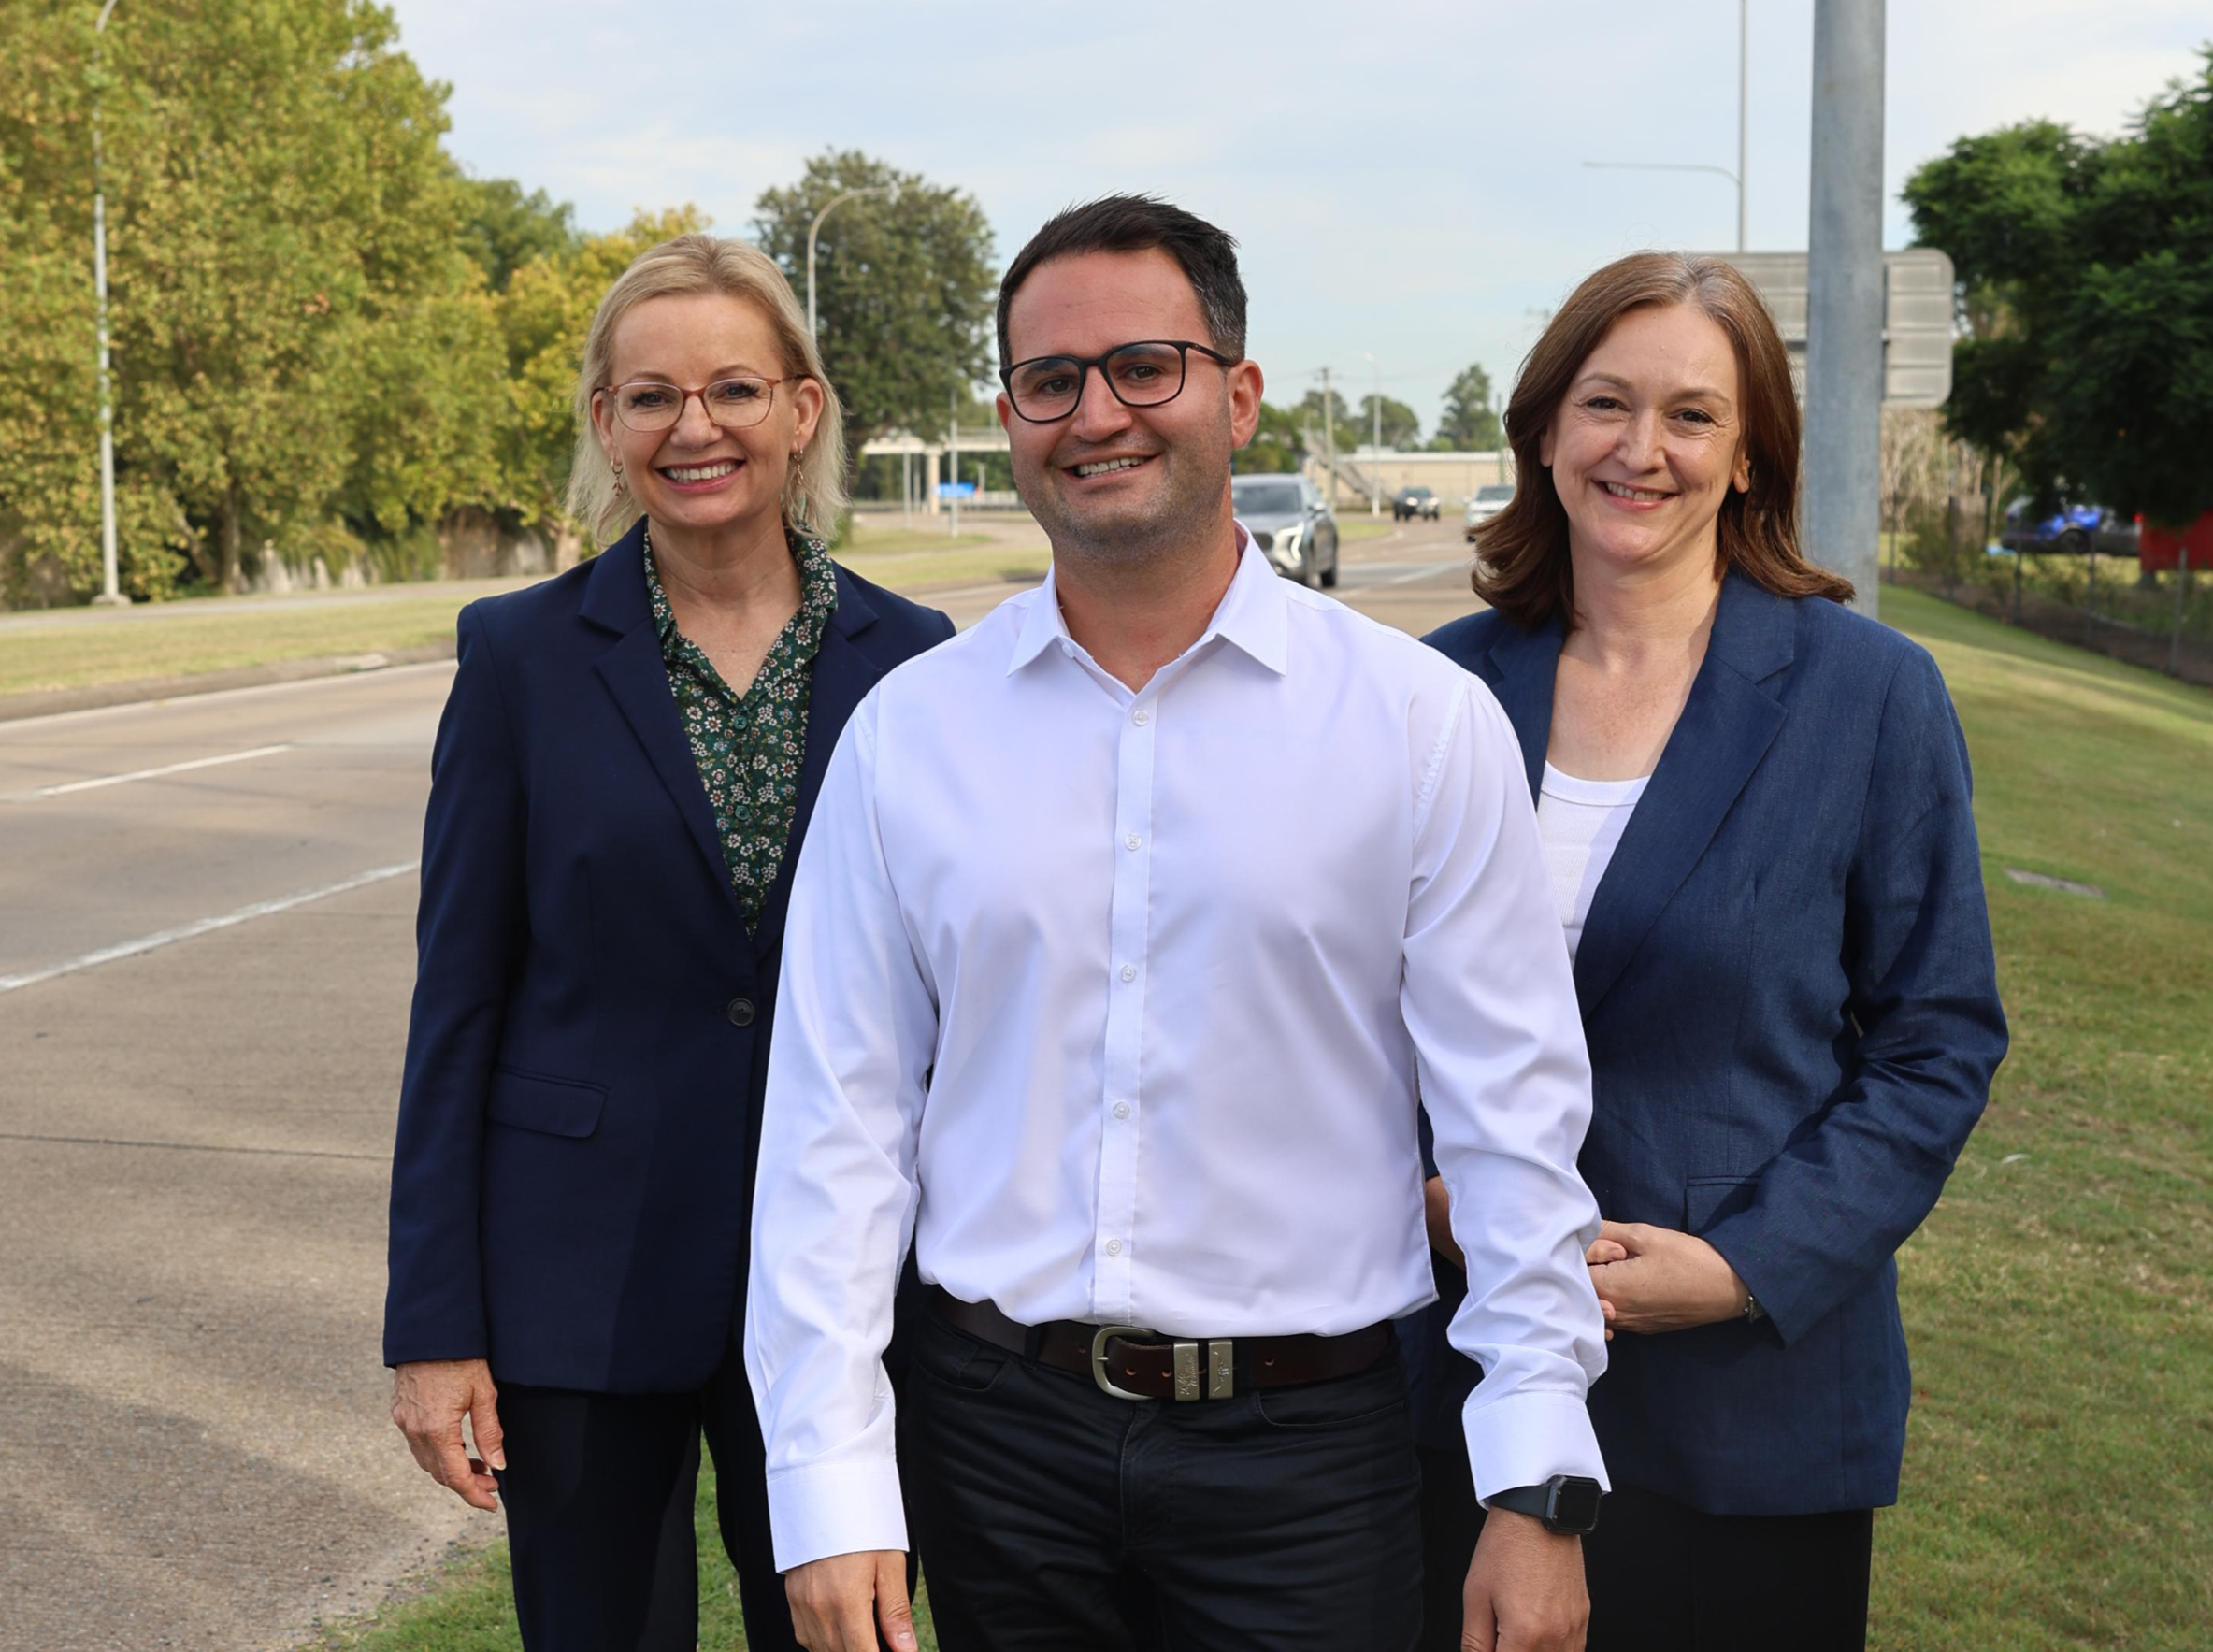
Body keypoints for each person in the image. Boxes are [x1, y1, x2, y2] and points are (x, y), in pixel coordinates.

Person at [746, 194, 1610, 1652]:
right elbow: (836, 1128)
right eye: (1049, 380)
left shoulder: (1417, 727)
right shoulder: (912, 735)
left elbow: (1512, 1134)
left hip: (1311, 1455)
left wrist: (1536, 1482)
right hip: (994, 1443)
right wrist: (832, 1482)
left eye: (1146, 365)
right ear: (1012, 414)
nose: (1097, 413)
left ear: (1240, 394)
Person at [1421, 251, 2007, 1651]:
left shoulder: (1868, 695)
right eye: (1605, 404)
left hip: (1745, 1410)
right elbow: (1332, 1007)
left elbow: (1937, 1044)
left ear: (1750, 458)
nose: (1641, 450)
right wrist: (1420, 1192)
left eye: (1690, 415)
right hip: (1455, 1382)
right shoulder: (1435, 690)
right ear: (1547, 430)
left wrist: (1743, 1268)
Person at [381, 233, 955, 1652]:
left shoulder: (921, 659)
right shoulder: (518, 657)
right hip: (582, 1274)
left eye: (734, 390)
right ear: (606, 426)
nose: (694, 428)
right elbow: (460, 1000)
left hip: (847, 1277)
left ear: (803, 411)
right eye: (651, 398)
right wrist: (433, 1324)